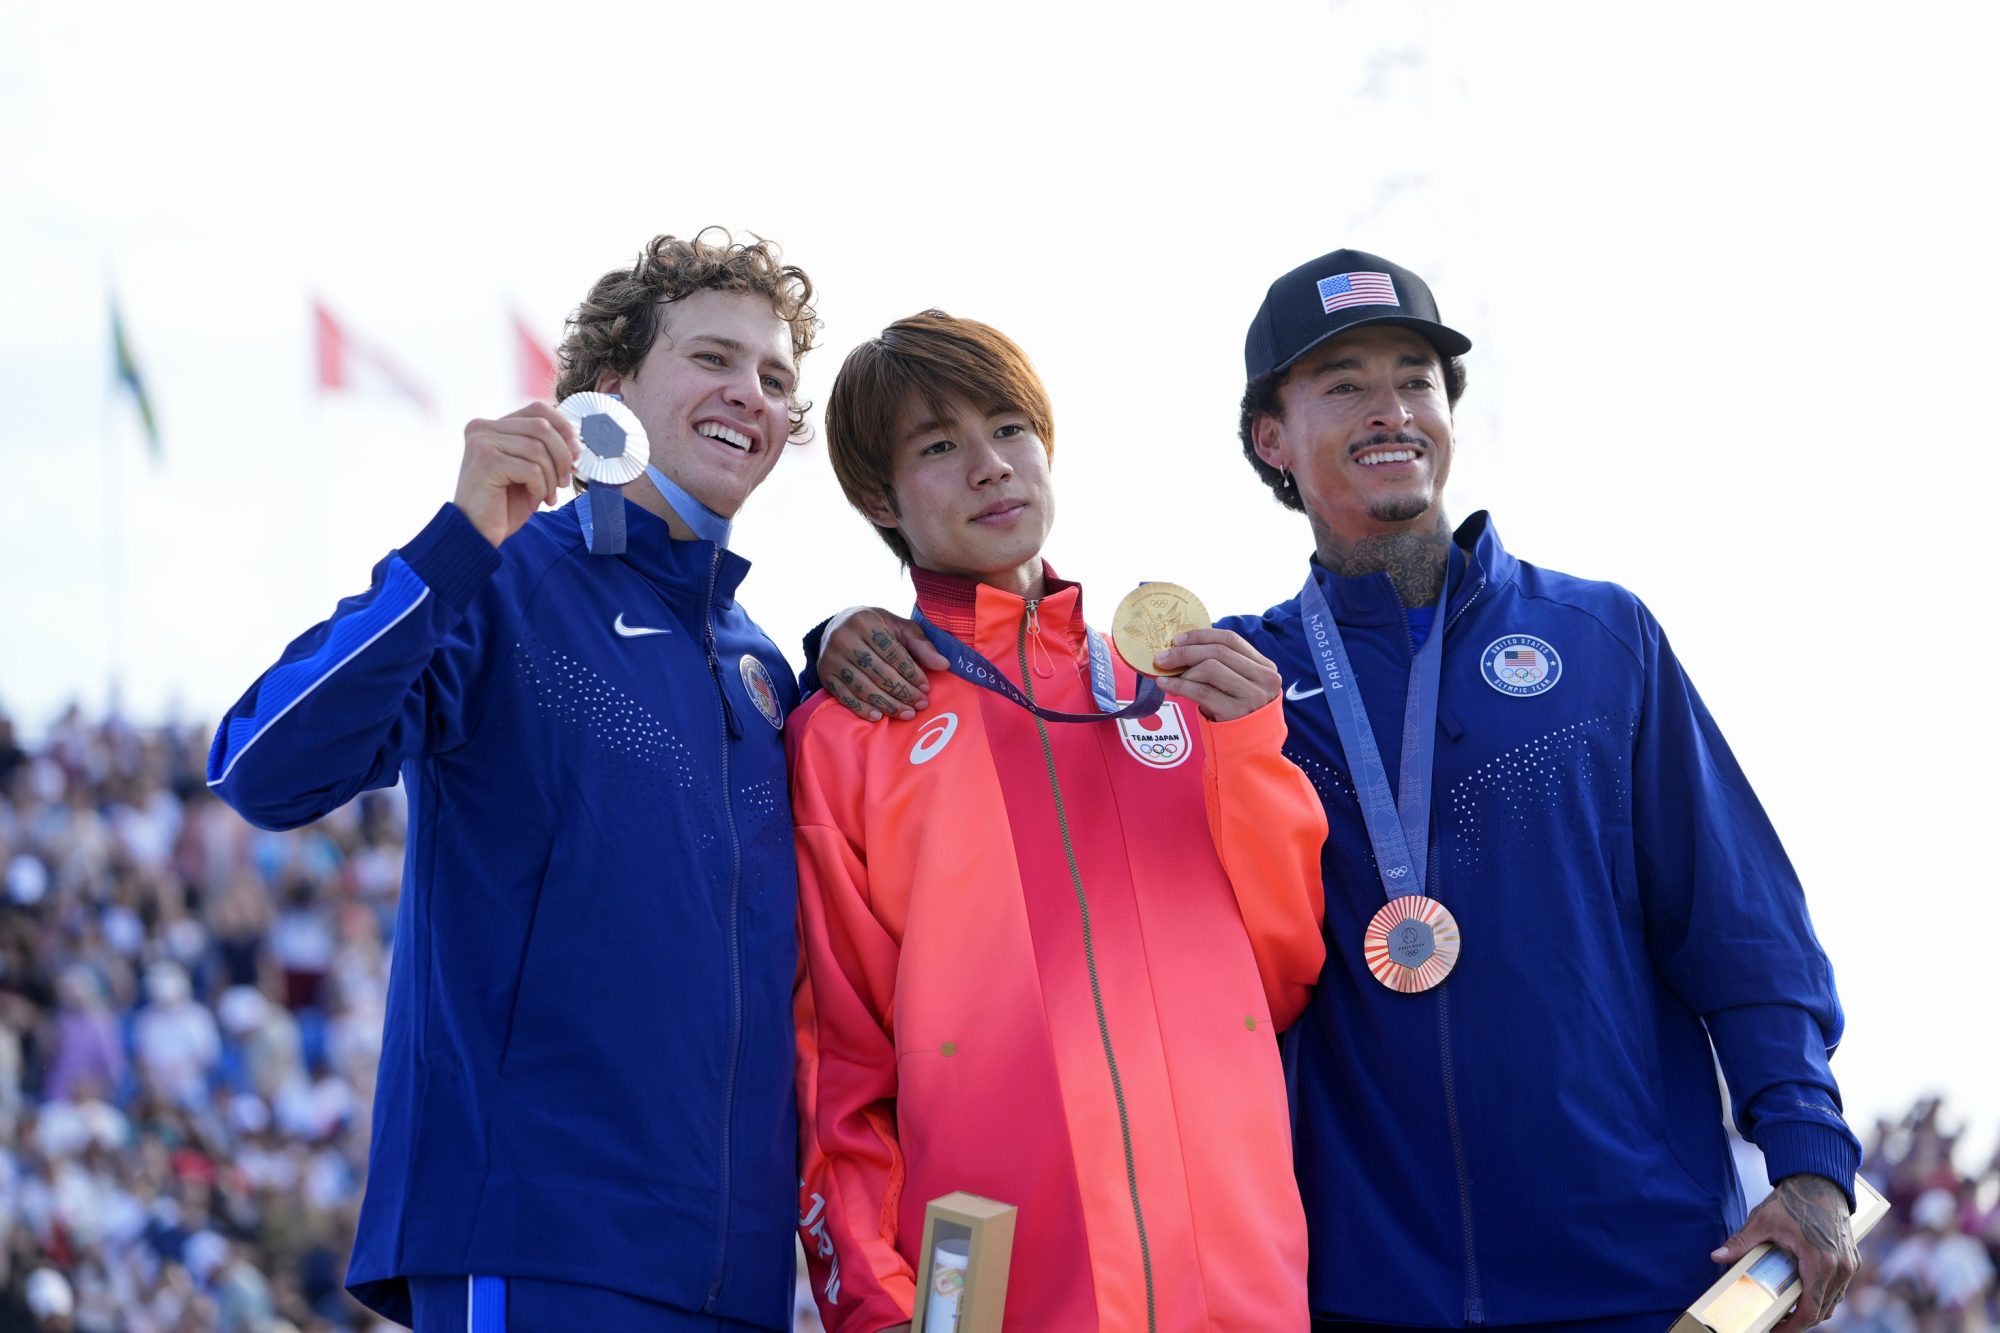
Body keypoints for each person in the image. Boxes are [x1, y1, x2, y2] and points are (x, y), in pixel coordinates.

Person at [812, 252, 1863, 1332]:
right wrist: (836, 639)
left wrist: (1810, 1159)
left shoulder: (1598, 640)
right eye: (1343, 384)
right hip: (1364, 1289)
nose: (1389, 410)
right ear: (1270, 437)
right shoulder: (1222, 685)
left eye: (1414, 378)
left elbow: (1741, 930)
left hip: (1635, 1272)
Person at [208, 230, 819, 1332]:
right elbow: (264, 767)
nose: (750, 393)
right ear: (609, 389)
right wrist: (453, 544)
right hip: (538, 1244)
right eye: (714, 358)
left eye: (774, 378)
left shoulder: (763, 665)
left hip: (737, 1275)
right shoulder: (498, 581)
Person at [790, 311, 1327, 1332]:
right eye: (938, 447)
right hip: (1001, 1295)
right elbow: (835, 1064)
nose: (990, 467)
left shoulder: (1173, 690)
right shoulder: (847, 734)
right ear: (878, 496)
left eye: (1008, 428)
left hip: (1240, 1283)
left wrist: (1249, 750)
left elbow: (1283, 969)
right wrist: (874, 1299)